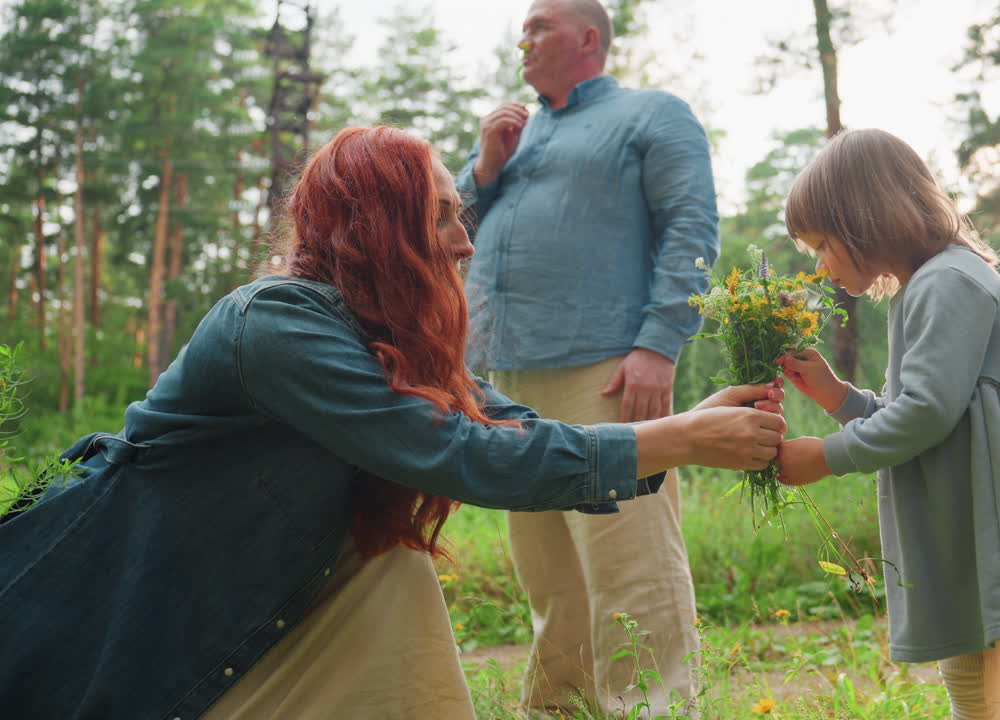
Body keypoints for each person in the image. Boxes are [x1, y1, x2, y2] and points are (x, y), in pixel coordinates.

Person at [0, 126, 787, 720]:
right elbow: (458, 451)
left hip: (261, 583)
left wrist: (681, 425)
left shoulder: (376, 333)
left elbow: (490, 416)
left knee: (390, 566)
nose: (464, 242)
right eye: (442, 216)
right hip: (144, 616)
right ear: (378, 224)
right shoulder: (274, 325)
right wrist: (676, 440)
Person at [773, 128, 1000, 720]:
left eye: (822, 244)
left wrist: (827, 456)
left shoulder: (950, 280)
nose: (819, 266)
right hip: (966, 525)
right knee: (969, 689)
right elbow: (919, 411)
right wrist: (839, 397)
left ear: (864, 219)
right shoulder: (924, 288)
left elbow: (925, 415)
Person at [456, 0, 718, 714]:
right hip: (504, 380)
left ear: (588, 37)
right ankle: (557, 712)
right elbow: (445, 231)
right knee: (550, 578)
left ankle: (655, 709)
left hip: (606, 376)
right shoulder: (512, 140)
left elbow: (692, 228)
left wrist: (657, 347)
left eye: (538, 27)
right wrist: (483, 169)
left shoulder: (653, 115)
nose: (524, 41)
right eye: (523, 31)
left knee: (631, 568)